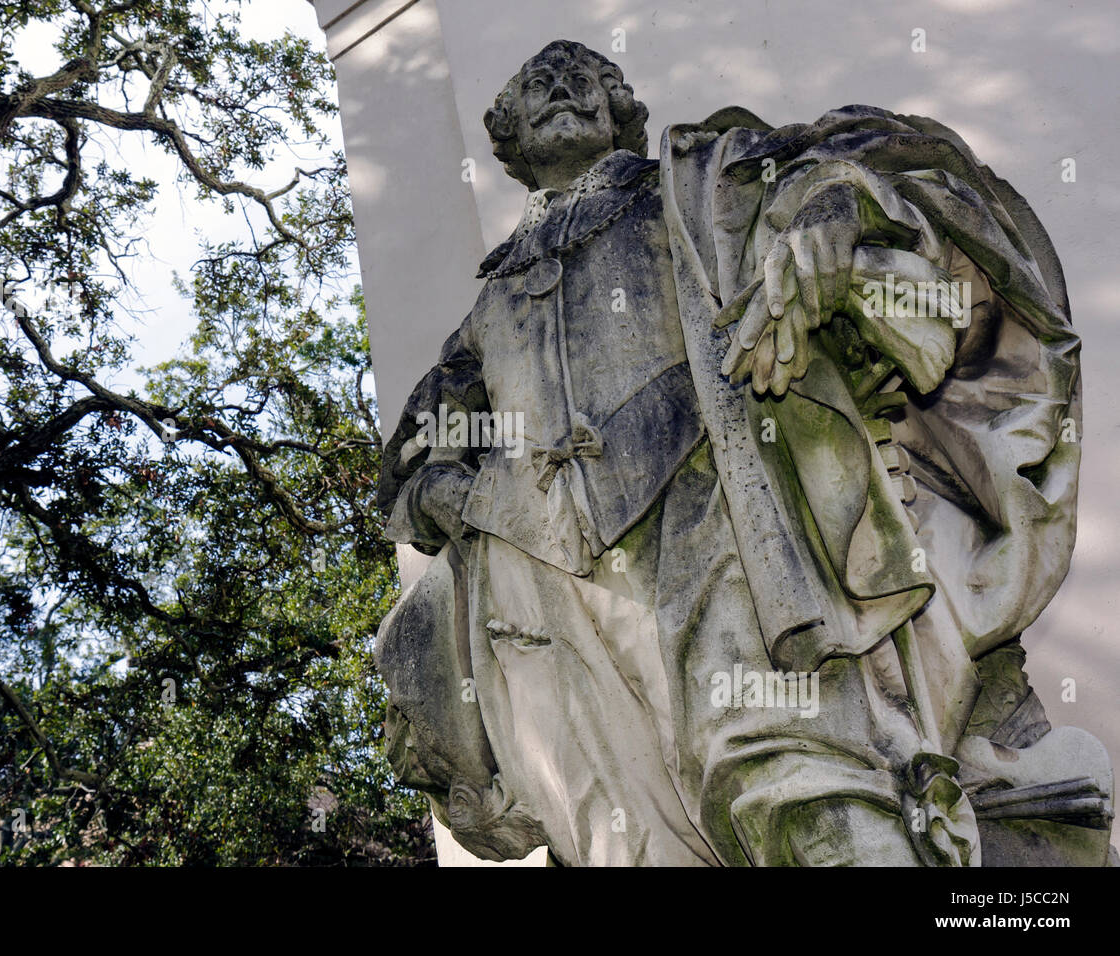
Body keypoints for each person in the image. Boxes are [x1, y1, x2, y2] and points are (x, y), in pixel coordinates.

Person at [375, 40, 1112, 866]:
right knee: (613, 834)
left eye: (580, 77)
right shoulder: (493, 296)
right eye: (536, 83)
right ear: (505, 133)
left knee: (792, 777)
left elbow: (828, 172)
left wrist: (828, 222)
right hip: (542, 581)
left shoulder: (689, 186)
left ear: (619, 107)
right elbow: (421, 440)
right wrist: (442, 488)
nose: (557, 88)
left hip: (708, 518)